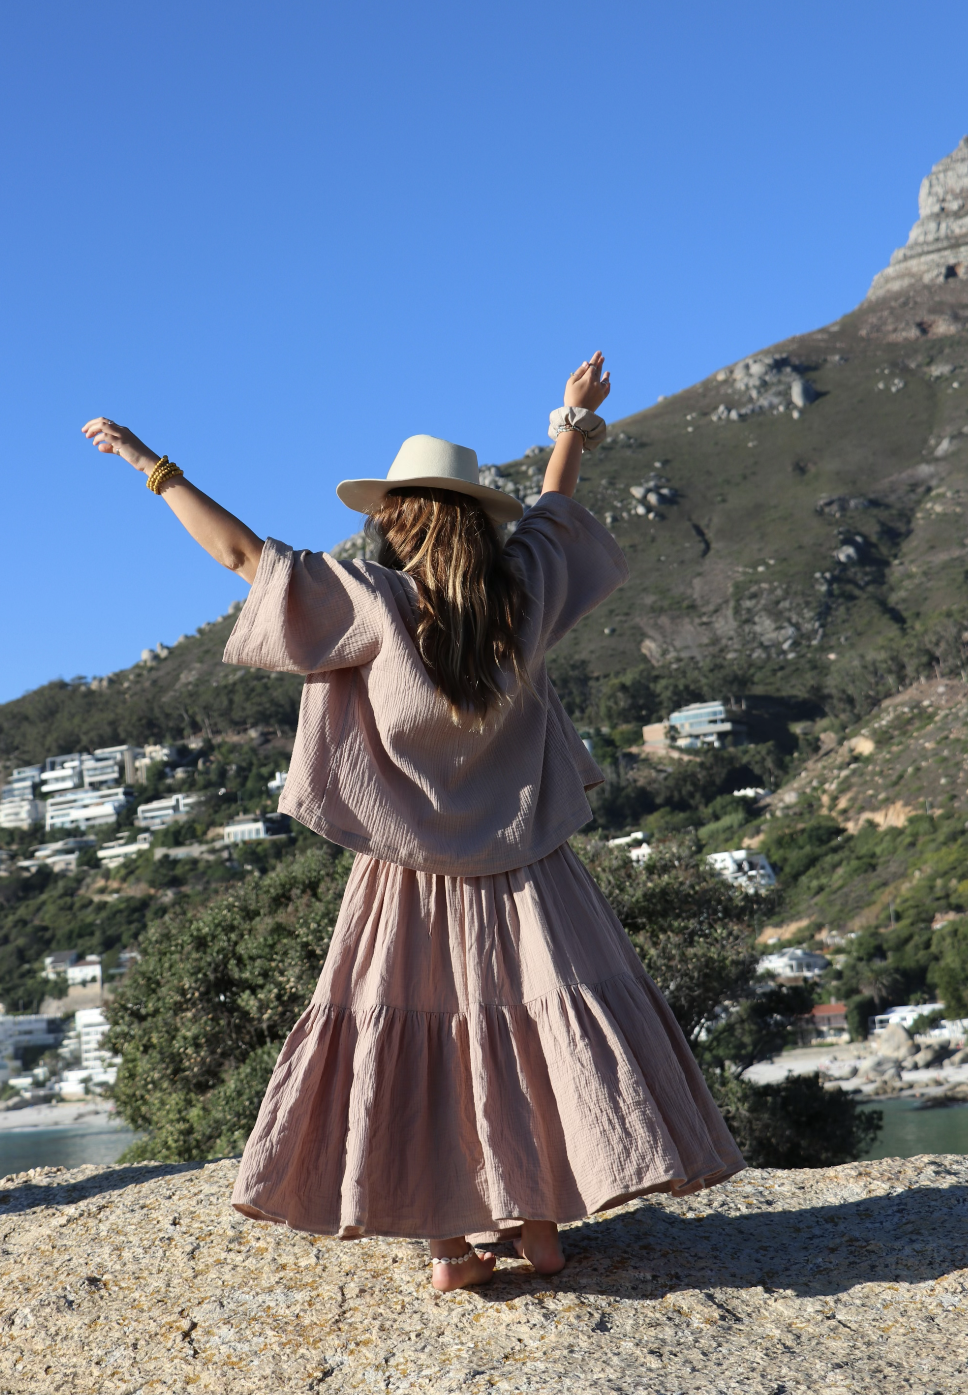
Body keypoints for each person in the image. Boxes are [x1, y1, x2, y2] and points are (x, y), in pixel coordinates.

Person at [83, 350, 744, 1293]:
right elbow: (557, 512)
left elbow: (243, 557)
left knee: (415, 1045)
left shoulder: (373, 604)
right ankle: (542, 1226)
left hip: (408, 879)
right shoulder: (523, 596)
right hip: (529, 871)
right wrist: (573, 418)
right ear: (477, 523)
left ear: (395, 521)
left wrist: (153, 465)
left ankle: (448, 1246)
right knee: (531, 1038)